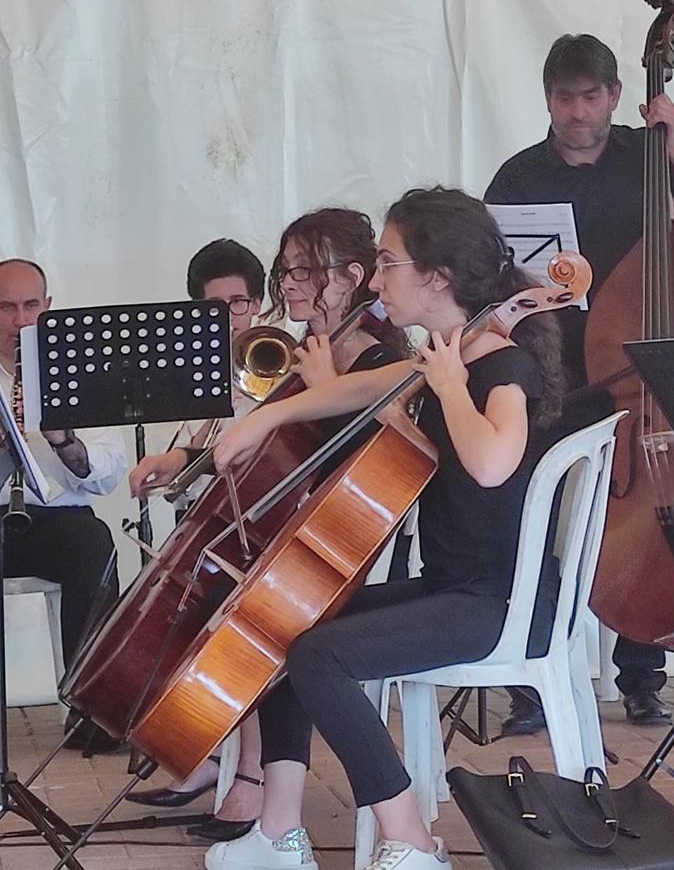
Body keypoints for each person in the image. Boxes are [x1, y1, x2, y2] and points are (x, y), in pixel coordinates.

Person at [202, 186, 564, 870]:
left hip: (501, 604)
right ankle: (279, 836)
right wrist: (265, 416)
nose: (376, 280)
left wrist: (450, 387)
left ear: (437, 276)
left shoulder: (502, 367)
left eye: (389, 263)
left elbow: (493, 464)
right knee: (286, 623)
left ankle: (413, 840)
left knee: (321, 656)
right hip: (454, 589)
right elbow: (362, 388)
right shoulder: (451, 355)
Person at [484, 33, 674, 728]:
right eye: (565, 98)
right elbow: (489, 275)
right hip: (554, 372)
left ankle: (642, 678)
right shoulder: (518, 178)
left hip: (636, 376)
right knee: (527, 517)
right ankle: (532, 680)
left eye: (591, 97)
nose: (578, 112)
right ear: (548, 100)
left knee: (647, 517)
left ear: (616, 96)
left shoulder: (647, 156)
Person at [128, 212, 407, 843]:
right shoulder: (312, 348)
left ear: (350, 277)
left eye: (303, 271)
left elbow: (382, 456)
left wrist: (326, 388)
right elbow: (260, 444)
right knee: (220, 597)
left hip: (338, 550)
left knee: (259, 619)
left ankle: (256, 784)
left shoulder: (378, 357)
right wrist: (183, 460)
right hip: (295, 540)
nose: (289, 285)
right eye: (285, 271)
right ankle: (212, 759)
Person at [127, 238, 267, 836]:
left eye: (239, 304)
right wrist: (170, 461)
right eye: (214, 308)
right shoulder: (203, 379)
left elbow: (254, 456)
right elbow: (200, 453)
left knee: (228, 621)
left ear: (258, 304)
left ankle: (250, 775)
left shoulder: (273, 366)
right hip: (218, 531)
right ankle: (204, 755)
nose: (230, 318)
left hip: (260, 533)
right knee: (177, 613)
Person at [0, 258, 127, 751]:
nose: (20, 320)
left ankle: (91, 709)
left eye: (30, 306)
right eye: (6, 308)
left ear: (49, 307)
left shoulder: (79, 372)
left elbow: (109, 472)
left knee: (94, 544)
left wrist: (64, 441)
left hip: (60, 522)